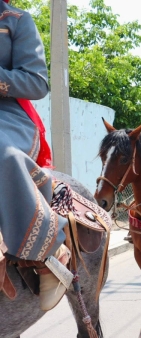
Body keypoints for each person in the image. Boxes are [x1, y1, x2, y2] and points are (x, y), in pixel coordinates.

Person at [0, 0, 73, 310]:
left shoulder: (16, 21)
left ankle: (50, 252)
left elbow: (37, 82)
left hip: (6, 117)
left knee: (2, 153)